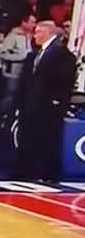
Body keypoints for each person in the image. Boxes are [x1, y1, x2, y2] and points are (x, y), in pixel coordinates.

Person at [16, 20, 76, 183]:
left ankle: (49, 173)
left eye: (37, 32)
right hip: (31, 104)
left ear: (47, 33)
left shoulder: (61, 54)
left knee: (48, 139)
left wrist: (57, 101)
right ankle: (27, 171)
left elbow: (65, 81)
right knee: (29, 138)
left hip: (48, 106)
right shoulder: (35, 54)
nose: (34, 36)